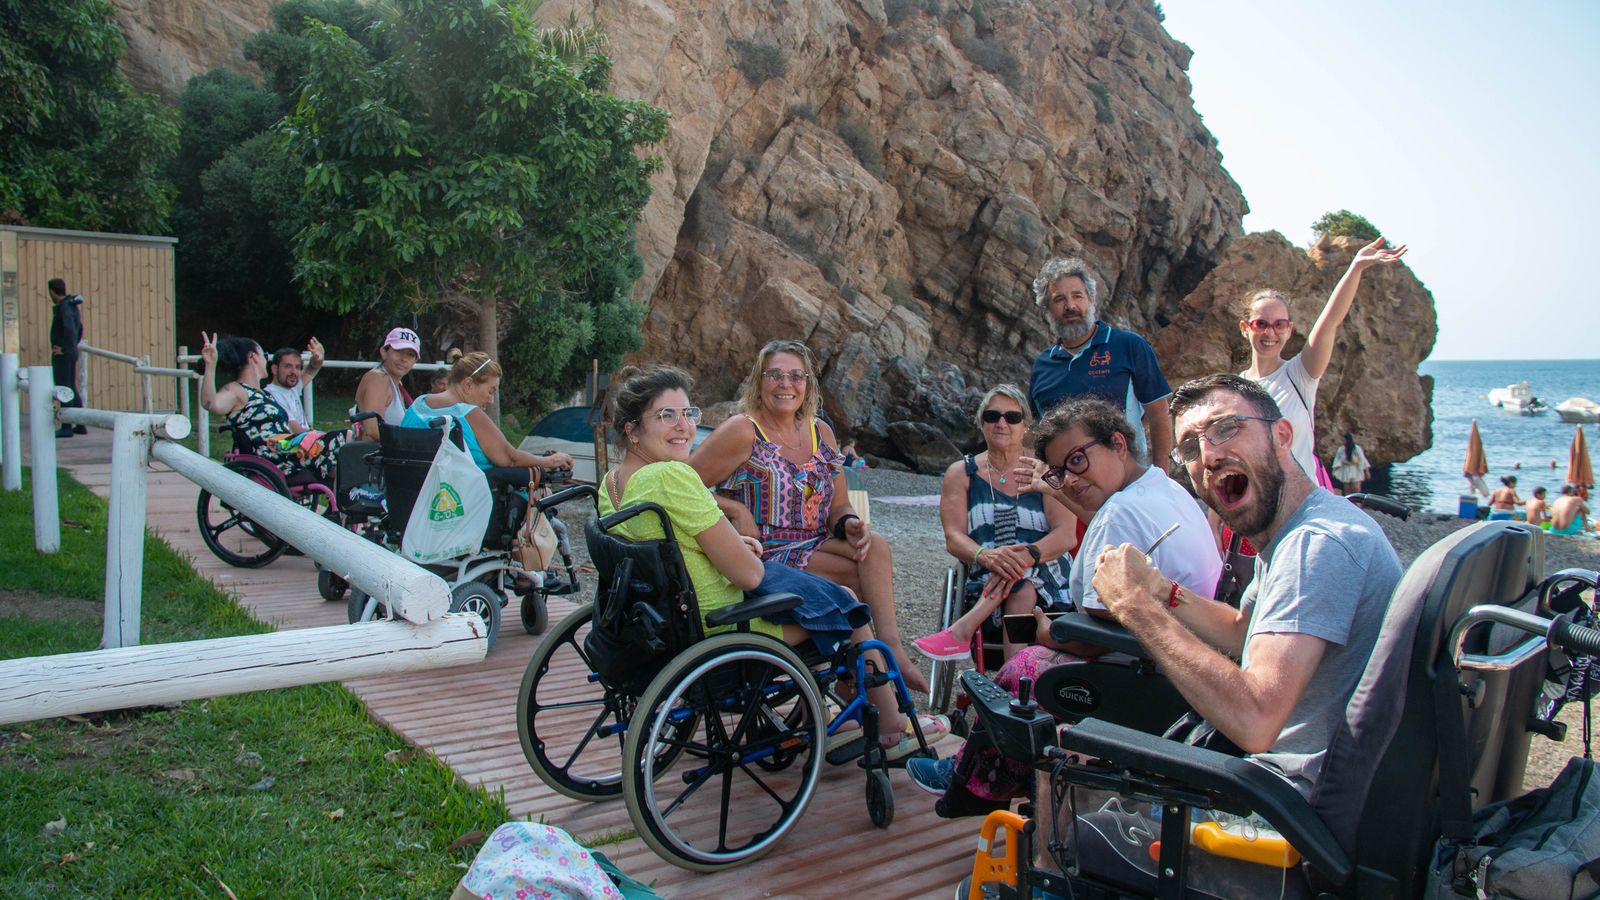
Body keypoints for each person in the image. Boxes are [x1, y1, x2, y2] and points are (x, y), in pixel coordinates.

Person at [603, 365, 945, 758]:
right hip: (722, 624)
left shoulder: (613, 483)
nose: (684, 427)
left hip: (667, 616)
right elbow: (748, 574)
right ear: (632, 429)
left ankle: (832, 709)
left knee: (836, 585)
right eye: (667, 415)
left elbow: (683, 540)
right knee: (846, 606)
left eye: (688, 413)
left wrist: (731, 539)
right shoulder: (672, 477)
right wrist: (741, 546)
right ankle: (891, 728)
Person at [1094, 373, 1402, 792]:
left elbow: (1255, 720)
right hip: (1304, 786)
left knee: (1064, 778)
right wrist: (1160, 589)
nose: (1208, 455)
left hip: (1286, 803)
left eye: (1226, 428)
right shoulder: (1300, 528)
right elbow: (1244, 631)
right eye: (1190, 448)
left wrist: (1132, 605)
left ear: (1282, 435)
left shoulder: (1315, 545)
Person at [907, 395, 1219, 799]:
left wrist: (1047, 634)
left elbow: (1095, 637)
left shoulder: (1120, 514)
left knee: (1024, 668)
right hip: (1189, 657)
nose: (1069, 480)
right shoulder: (1166, 489)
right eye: (1059, 472)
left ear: (1118, 444)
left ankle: (975, 781)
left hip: (1145, 667)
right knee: (1028, 620)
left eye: (1077, 461)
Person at [690, 339, 930, 694]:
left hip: (813, 542)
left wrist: (849, 523)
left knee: (874, 546)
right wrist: (734, 509)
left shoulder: (821, 432)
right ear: (759, 381)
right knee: (857, 583)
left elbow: (839, 505)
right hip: (764, 553)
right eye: (775, 374)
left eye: (796, 376)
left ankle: (885, 654)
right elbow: (682, 485)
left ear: (808, 383)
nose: (785, 384)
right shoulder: (743, 430)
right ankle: (863, 677)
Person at [914, 385, 1078, 663]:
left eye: (1012, 417)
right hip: (987, 572)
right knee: (1015, 576)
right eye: (992, 416)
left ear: (1025, 425)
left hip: (1047, 571)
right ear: (981, 422)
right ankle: (1014, 675)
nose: (1002, 423)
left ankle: (963, 634)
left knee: (1020, 577)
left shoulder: (1043, 470)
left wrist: (1027, 555)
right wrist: (985, 555)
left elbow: (1066, 535)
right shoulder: (961, 473)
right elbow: (954, 537)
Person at [1237, 236, 1408, 483]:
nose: (1270, 333)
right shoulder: (1235, 389)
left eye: (1279, 325)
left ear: (1289, 329)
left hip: (1302, 500)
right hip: (1255, 501)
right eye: (1261, 324)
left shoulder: (1299, 375)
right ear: (1245, 328)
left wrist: (1355, 267)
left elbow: (1329, 323)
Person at [1027, 257, 1172, 497]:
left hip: (1128, 490)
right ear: (1046, 309)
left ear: (1092, 299)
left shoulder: (1128, 345)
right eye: (1059, 299)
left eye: (1077, 296)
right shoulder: (1042, 365)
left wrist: (1161, 479)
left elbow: (1159, 414)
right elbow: (1038, 434)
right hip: (1069, 496)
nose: (1070, 306)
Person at [198, 333, 347, 480]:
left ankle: (342, 494)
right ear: (253, 357)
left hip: (288, 447)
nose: (266, 360)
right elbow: (210, 404)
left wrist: (317, 360)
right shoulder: (238, 390)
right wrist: (210, 366)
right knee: (343, 439)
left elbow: (308, 373)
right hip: (275, 453)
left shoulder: (264, 394)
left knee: (344, 449)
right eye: (264, 355)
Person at [401, 352, 573, 475]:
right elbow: (510, 458)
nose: (491, 400)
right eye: (490, 391)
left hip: (414, 500)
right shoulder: (468, 414)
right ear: (468, 385)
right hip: (465, 503)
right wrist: (550, 461)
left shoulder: (417, 406)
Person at [354, 327, 422, 440]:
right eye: (398, 351)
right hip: (371, 450)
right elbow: (372, 430)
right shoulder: (378, 378)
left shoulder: (396, 384)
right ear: (384, 352)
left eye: (410, 354)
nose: (404, 359)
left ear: (415, 361)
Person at [47, 278, 86, 437]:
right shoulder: (72, 305)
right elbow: (79, 329)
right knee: (71, 387)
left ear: (52, 291)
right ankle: (81, 424)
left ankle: (66, 426)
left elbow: (70, 329)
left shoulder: (64, 307)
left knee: (64, 388)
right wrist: (72, 346)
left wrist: (63, 348)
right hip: (71, 352)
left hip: (64, 354)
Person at [263, 339, 326, 431]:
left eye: (297, 367)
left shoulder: (293, 387)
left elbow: (313, 367)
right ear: (274, 369)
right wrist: (317, 435)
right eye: (288, 366)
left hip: (306, 436)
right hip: (296, 439)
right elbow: (295, 429)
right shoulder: (271, 395)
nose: (294, 372)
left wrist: (320, 356)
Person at [1329, 431, 1371, 496]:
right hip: (1346, 469)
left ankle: (1357, 500)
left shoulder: (1356, 448)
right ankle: (1348, 500)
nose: (1342, 441)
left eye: (1344, 440)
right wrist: (1334, 470)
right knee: (1347, 489)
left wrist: (1366, 471)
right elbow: (1337, 460)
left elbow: (1362, 459)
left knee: (1356, 488)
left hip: (1355, 469)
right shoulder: (1341, 449)